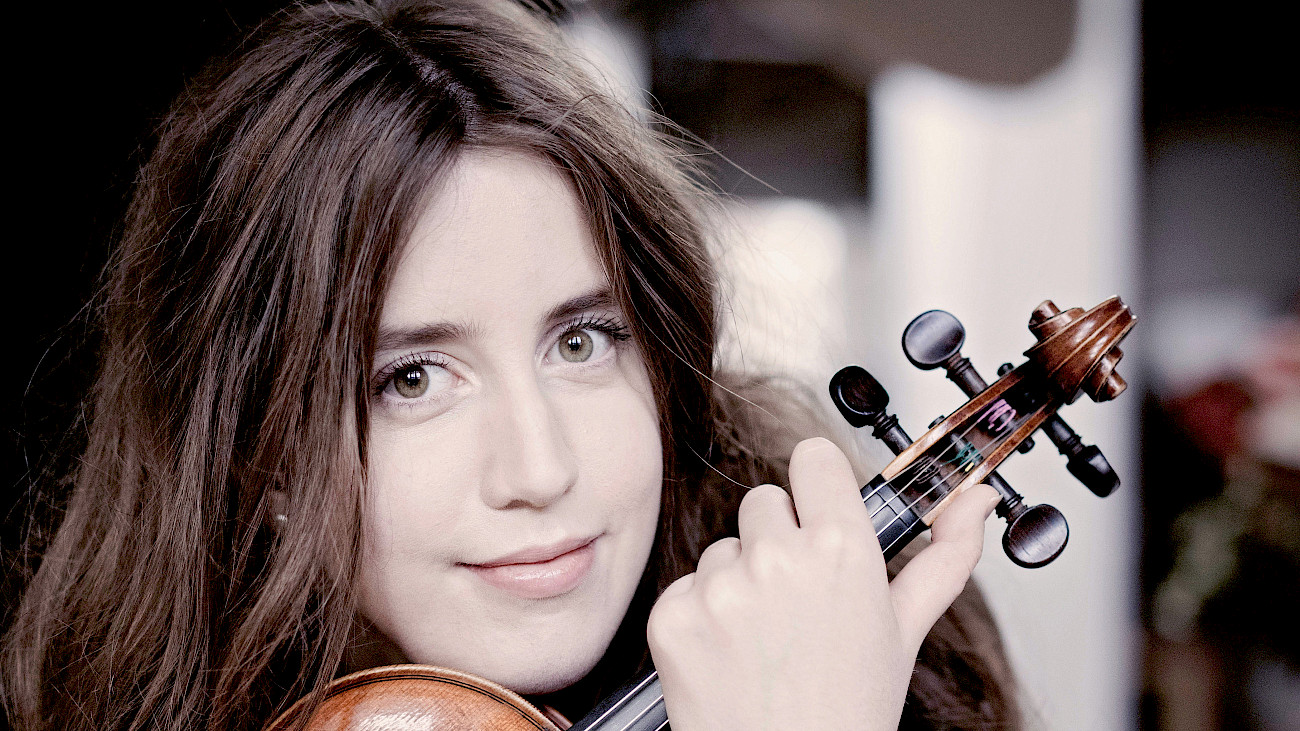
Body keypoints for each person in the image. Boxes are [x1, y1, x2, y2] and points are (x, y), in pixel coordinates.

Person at [1, 1, 1018, 729]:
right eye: (411, 379)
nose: (539, 468)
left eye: (582, 341)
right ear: (256, 456)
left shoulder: (879, 676)